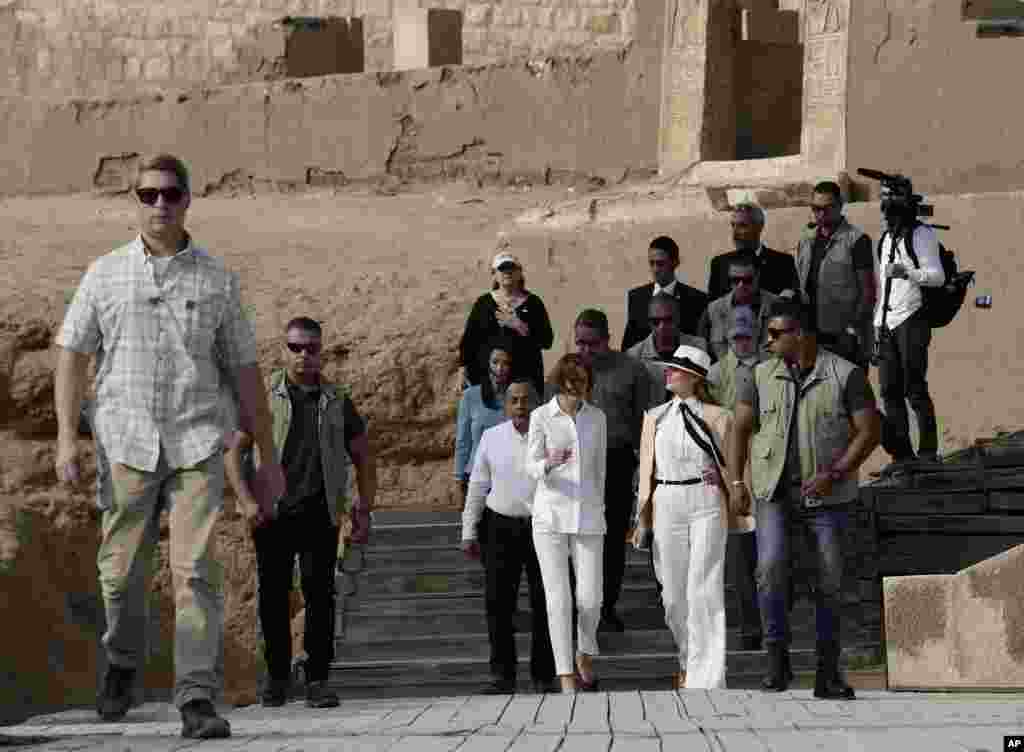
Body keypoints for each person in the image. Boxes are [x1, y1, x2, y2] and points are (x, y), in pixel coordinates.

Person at [53, 154, 285, 739]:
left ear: (188, 199)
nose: (160, 204)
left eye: (171, 194)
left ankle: (196, 697)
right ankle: (122, 660)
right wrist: (65, 438)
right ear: (134, 200)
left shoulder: (217, 279)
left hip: (197, 441)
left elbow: (245, 370)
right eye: (148, 194)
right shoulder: (104, 273)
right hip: (125, 441)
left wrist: (268, 454)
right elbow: (73, 355)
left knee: (195, 572)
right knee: (121, 574)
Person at [728, 298, 881, 700]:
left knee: (830, 581)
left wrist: (835, 473)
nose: (768, 341)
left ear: (799, 334)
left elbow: (869, 431)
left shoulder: (846, 374)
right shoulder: (758, 375)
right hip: (774, 493)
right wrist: (737, 482)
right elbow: (739, 429)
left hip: (829, 498)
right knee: (770, 571)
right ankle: (776, 663)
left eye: (775, 333)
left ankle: (828, 674)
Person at [224, 317, 377, 709]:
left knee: (320, 596)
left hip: (319, 513)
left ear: (320, 351)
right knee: (273, 597)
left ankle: (317, 680)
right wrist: (246, 501)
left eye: (311, 348)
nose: (303, 355)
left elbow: (363, 456)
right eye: (295, 347)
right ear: (283, 349)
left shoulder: (337, 400)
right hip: (272, 515)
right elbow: (233, 452)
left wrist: (363, 506)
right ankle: (277, 678)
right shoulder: (262, 397)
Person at [633, 345, 743, 689]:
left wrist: (726, 480)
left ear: (695, 378)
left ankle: (706, 677)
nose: (668, 373)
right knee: (673, 596)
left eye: (676, 369)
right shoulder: (654, 417)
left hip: (705, 500)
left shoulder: (719, 417)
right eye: (668, 368)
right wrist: (642, 517)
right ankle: (688, 659)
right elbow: (646, 471)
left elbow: (735, 464)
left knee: (703, 587)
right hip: (666, 501)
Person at [460, 379, 557, 694]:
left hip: (544, 527)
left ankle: (544, 675)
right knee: (498, 603)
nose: (520, 406)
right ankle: (502, 676)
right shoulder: (491, 437)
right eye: (513, 400)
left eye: (526, 400)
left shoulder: (554, 437)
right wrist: (468, 529)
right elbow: (478, 485)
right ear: (505, 406)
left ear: (539, 404)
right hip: (499, 526)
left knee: (546, 601)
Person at [527, 354, 607, 693]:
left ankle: (584, 651)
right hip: (550, 516)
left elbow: (600, 469)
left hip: (588, 515)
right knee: (558, 599)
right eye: (572, 384)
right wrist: (549, 462)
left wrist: (601, 508)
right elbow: (530, 466)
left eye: (584, 384)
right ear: (561, 383)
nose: (578, 390)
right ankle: (565, 675)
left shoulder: (597, 418)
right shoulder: (541, 416)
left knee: (591, 598)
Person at [573, 309, 651, 632]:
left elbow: (646, 421)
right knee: (579, 537)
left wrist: (643, 466)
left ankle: (606, 607)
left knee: (613, 538)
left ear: (608, 339)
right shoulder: (567, 371)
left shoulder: (631, 370)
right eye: (580, 343)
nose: (586, 350)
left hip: (616, 461)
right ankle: (579, 607)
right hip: (575, 465)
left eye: (592, 344)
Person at [705, 309, 764, 653]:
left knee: (772, 557)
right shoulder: (715, 375)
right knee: (741, 557)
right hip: (731, 473)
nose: (741, 343)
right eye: (735, 337)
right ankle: (750, 628)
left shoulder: (773, 368)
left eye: (746, 336)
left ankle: (773, 622)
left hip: (768, 469)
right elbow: (707, 426)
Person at [874, 200, 945, 465]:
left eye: (892, 213)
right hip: (887, 322)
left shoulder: (921, 235)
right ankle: (902, 455)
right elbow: (884, 287)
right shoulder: (885, 239)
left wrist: (907, 272)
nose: (887, 219)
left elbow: (937, 276)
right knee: (889, 390)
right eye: (885, 214)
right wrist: (877, 322)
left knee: (914, 387)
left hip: (912, 317)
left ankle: (927, 453)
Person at [797, 182, 876, 368]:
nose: (821, 214)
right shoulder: (807, 239)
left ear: (840, 206)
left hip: (844, 337)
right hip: (809, 334)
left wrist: (853, 329)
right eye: (816, 208)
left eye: (827, 208)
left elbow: (868, 293)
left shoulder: (857, 240)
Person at [459, 252, 554, 395]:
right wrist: (462, 370)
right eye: (502, 269)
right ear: (494, 274)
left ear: (520, 273)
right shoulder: (483, 303)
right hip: (488, 381)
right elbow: (469, 340)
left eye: (512, 268)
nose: (507, 272)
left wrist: (519, 326)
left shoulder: (534, 303)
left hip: (524, 382)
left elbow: (547, 341)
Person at [622, 236, 708, 352]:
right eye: (651, 263)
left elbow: (700, 341)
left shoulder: (697, 299)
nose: (655, 269)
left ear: (675, 262)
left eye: (660, 263)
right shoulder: (637, 297)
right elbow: (629, 342)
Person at [455, 340, 515, 503]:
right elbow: (463, 441)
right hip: (476, 477)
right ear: (487, 363)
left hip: (509, 478)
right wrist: (459, 478)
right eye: (495, 362)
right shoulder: (470, 396)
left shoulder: (518, 397)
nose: (500, 368)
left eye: (505, 363)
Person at [627, 292, 708, 408]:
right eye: (656, 322)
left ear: (678, 319)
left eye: (669, 320)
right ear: (649, 323)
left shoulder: (698, 347)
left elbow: (703, 393)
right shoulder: (634, 356)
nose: (662, 327)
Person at [707, 204, 800, 301]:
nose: (735, 233)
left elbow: (793, 302)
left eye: (742, 225)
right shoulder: (719, 264)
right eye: (733, 225)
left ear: (759, 227)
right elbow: (712, 305)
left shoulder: (784, 263)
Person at [698, 253, 780, 362]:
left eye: (747, 280)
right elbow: (706, 350)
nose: (741, 285)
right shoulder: (714, 309)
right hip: (727, 370)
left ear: (757, 276)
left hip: (769, 368)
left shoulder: (777, 305)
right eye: (735, 280)